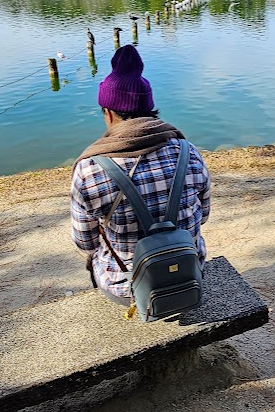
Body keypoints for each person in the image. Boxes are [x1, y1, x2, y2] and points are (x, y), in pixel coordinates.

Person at [71, 44, 211, 304]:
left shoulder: (90, 169)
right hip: (190, 273)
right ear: (149, 108)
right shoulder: (187, 151)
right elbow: (203, 216)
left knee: (95, 258)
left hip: (127, 289)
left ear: (109, 112)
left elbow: (85, 242)